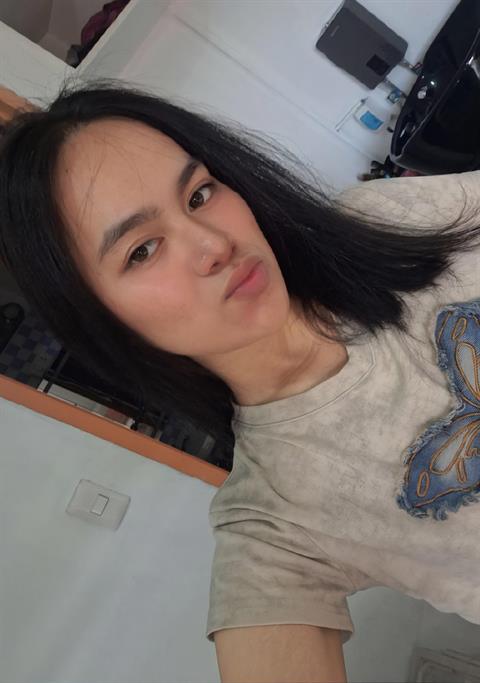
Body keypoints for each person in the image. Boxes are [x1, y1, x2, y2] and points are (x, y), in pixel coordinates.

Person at [0, 79, 479, 683]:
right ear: (102, 321)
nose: (214, 244)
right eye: (142, 250)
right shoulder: (271, 523)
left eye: (199, 194)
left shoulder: (385, 221)